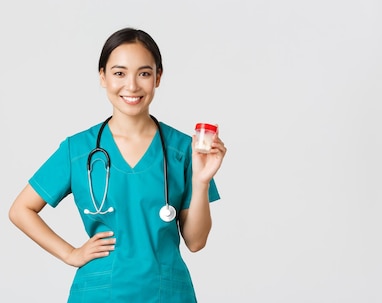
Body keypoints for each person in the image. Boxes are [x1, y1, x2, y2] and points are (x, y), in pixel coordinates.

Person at [8, 27, 227, 302]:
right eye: (119, 73)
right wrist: (70, 253)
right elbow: (20, 210)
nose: (132, 86)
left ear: (158, 77)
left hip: (167, 294)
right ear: (103, 76)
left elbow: (196, 242)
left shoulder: (185, 149)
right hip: (100, 293)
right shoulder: (78, 150)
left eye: (144, 73)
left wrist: (201, 180)